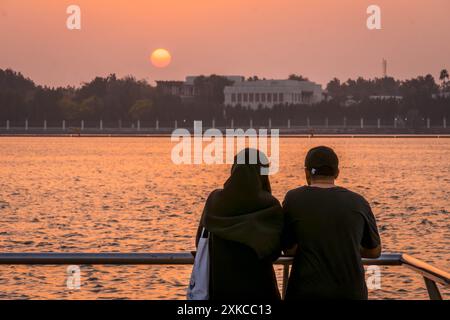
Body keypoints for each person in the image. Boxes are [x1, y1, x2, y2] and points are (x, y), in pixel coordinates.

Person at [282, 146, 381, 300]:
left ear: (307, 172)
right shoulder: (358, 201)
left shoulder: (293, 199)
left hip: (306, 293)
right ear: (337, 173)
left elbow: (288, 250)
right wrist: (346, 244)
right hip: (351, 293)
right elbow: (374, 251)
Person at [195, 148, 283, 300]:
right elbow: (274, 252)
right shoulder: (271, 205)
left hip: (220, 289)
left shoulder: (215, 200)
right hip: (261, 292)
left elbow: (200, 241)